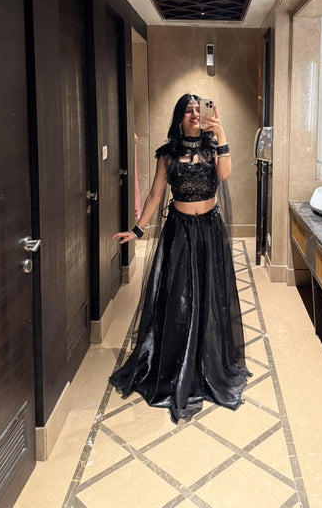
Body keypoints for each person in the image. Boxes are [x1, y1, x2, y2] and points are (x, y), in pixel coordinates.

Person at [109, 94, 250, 423]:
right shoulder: (167, 154)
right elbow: (156, 194)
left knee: (209, 294)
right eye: (189, 110)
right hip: (180, 231)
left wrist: (222, 134)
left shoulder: (213, 149)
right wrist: (138, 230)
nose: (195, 114)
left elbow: (225, 174)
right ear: (179, 118)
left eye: (199, 110)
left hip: (209, 230)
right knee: (179, 298)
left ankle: (207, 359)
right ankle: (176, 362)